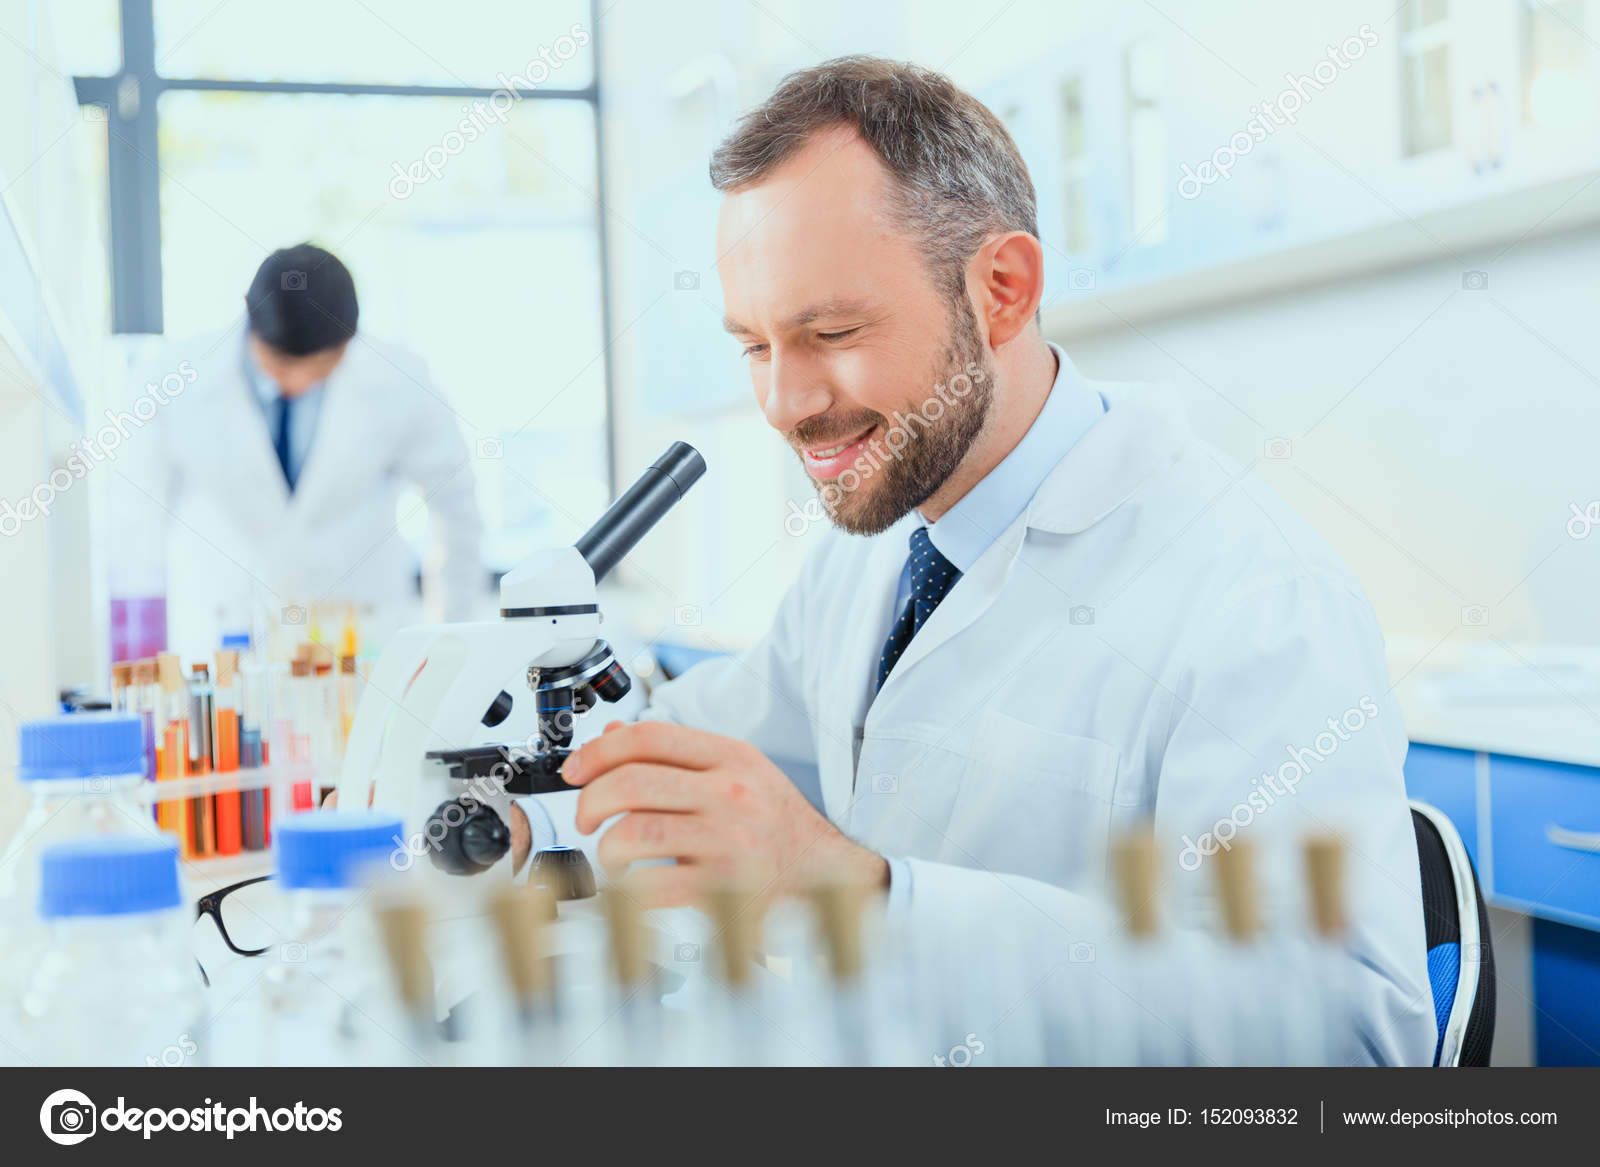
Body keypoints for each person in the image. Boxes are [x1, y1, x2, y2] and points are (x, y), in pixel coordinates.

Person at [526, 57, 1433, 1063]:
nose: (784, 404)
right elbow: (716, 747)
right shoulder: (875, 549)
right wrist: (527, 796)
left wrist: (869, 900)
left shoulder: (1253, 598)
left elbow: (1346, 1037)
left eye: (831, 330)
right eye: (755, 347)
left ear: (1002, 290)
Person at [119, 244, 485, 658]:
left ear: (351, 340)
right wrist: (139, 661)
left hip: (358, 639)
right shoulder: (171, 381)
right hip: (224, 637)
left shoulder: (402, 381)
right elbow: (135, 529)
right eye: (279, 364)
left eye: (320, 366)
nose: (297, 381)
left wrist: (450, 643)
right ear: (250, 327)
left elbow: (456, 511)